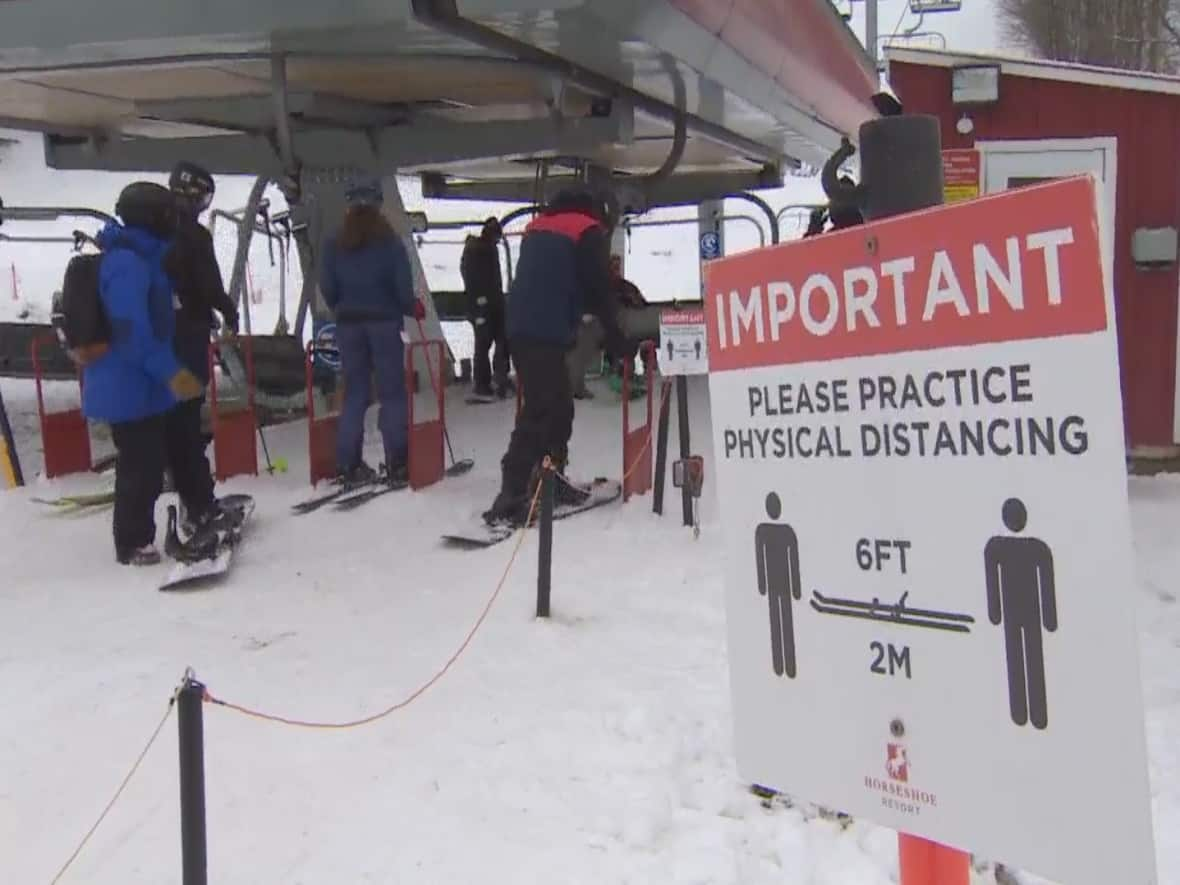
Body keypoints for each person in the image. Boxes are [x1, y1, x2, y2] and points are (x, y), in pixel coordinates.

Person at [484, 187, 633, 526]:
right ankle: (512, 493)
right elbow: (597, 289)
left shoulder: (539, 227)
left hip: (521, 326)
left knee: (559, 404)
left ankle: (553, 476)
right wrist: (617, 338)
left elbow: (549, 279)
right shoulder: (586, 231)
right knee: (539, 411)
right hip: (544, 331)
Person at [82, 182, 204, 565]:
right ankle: (132, 541)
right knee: (141, 465)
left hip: (143, 383)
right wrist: (174, 375)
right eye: (166, 214)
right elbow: (133, 334)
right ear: (151, 218)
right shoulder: (127, 265)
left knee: (154, 459)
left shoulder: (143, 258)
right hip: (128, 383)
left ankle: (158, 526)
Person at [319, 178, 422, 484]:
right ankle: (398, 459)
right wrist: (407, 306)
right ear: (378, 205)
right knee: (392, 393)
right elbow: (403, 287)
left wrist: (343, 306)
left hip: (349, 325)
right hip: (384, 322)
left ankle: (348, 462)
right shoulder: (390, 243)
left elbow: (328, 286)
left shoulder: (333, 243)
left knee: (355, 393)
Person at [162, 161, 240, 534]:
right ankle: (198, 501)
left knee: (171, 418)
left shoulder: (153, 232)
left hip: (158, 344)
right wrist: (227, 310)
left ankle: (176, 483)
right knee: (187, 419)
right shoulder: (193, 236)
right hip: (187, 339)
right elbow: (209, 285)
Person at [460, 217, 513, 399]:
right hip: (484, 304)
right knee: (486, 343)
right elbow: (475, 279)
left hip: (489, 303)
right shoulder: (479, 251)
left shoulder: (484, 249)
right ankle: (488, 381)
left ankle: (493, 379)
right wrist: (480, 300)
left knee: (494, 341)